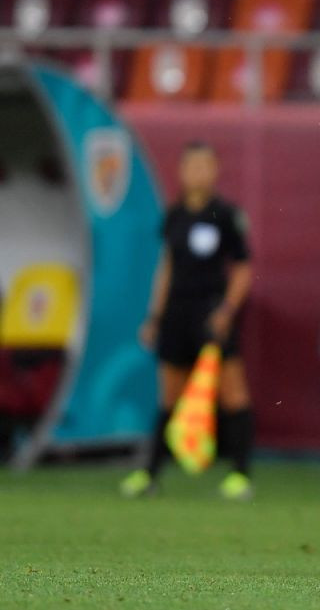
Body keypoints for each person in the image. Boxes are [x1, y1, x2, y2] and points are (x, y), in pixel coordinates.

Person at [120, 141, 254, 500]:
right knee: (169, 396)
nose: (198, 173)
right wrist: (155, 316)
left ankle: (240, 475)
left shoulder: (226, 215)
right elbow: (166, 267)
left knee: (232, 393)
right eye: (192, 166)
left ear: (215, 171)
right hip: (177, 315)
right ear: (181, 172)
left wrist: (227, 311)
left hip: (212, 313)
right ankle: (150, 474)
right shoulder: (174, 216)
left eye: (205, 166)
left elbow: (243, 270)